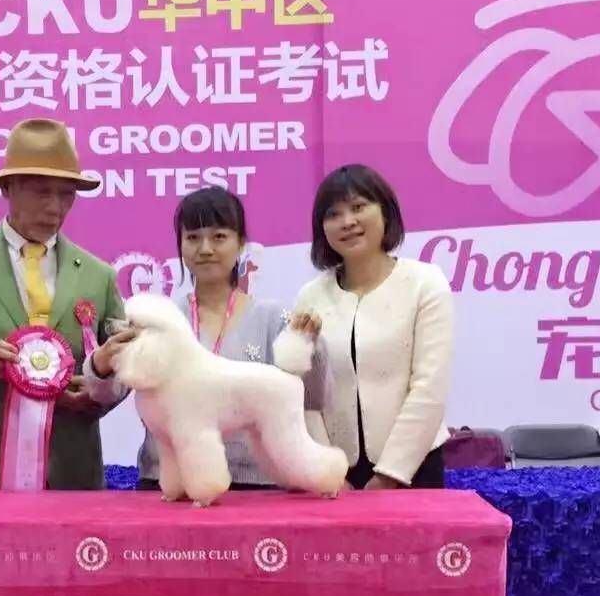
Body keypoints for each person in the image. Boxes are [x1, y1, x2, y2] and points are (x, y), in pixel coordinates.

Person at [0, 118, 127, 489]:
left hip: (73, 478)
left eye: (67, 194)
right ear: (8, 188)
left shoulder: (100, 276)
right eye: (41, 192)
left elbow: (126, 368)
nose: (55, 208)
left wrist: (99, 389)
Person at [86, 186, 296, 490]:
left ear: (241, 243)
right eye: (193, 237)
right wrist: (100, 366)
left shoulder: (273, 318)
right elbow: (108, 393)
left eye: (219, 237)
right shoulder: (157, 319)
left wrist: (310, 344)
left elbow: (309, 398)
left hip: (255, 486)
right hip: (165, 485)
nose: (205, 248)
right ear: (180, 245)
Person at [281, 164, 454, 490]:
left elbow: (429, 386)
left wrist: (390, 475)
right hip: (336, 474)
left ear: (385, 212)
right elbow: (305, 392)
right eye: (334, 214)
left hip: (413, 466)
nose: (347, 221)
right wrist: (328, 471)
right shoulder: (310, 296)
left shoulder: (425, 283)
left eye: (359, 207)